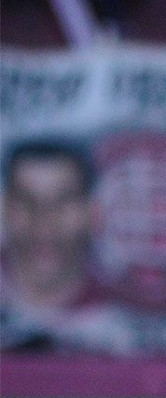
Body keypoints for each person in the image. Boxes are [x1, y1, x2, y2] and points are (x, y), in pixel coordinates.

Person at [0, 140, 129, 353]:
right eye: (26, 200)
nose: (43, 222)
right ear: (4, 209)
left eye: (63, 201)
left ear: (93, 213)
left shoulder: (120, 330)